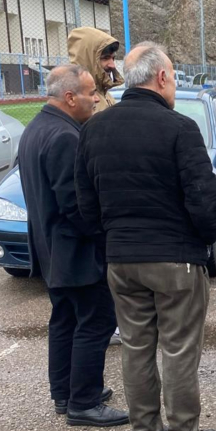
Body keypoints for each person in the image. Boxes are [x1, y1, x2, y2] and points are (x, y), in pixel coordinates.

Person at [75, 42, 216, 431]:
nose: (173, 85)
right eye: (172, 77)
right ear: (161, 77)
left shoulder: (93, 129)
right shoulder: (179, 128)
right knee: (178, 351)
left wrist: (111, 242)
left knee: (136, 348)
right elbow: (205, 200)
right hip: (175, 259)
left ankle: (145, 427)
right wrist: (205, 242)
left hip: (122, 259)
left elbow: (86, 205)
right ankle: (182, 428)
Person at [18, 65, 128, 427]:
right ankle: (84, 401)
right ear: (69, 97)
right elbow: (75, 205)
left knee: (65, 321)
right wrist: (104, 237)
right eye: (89, 92)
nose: (96, 98)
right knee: (95, 322)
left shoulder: (36, 128)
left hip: (52, 252)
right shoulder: (65, 136)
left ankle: (65, 392)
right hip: (75, 253)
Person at [68, 26, 125, 346]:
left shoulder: (106, 98)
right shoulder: (85, 105)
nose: (110, 63)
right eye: (105, 56)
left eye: (113, 56)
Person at [68, 27, 124, 112]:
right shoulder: (78, 99)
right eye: (105, 58)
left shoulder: (104, 93)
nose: (112, 65)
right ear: (88, 59)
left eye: (113, 58)